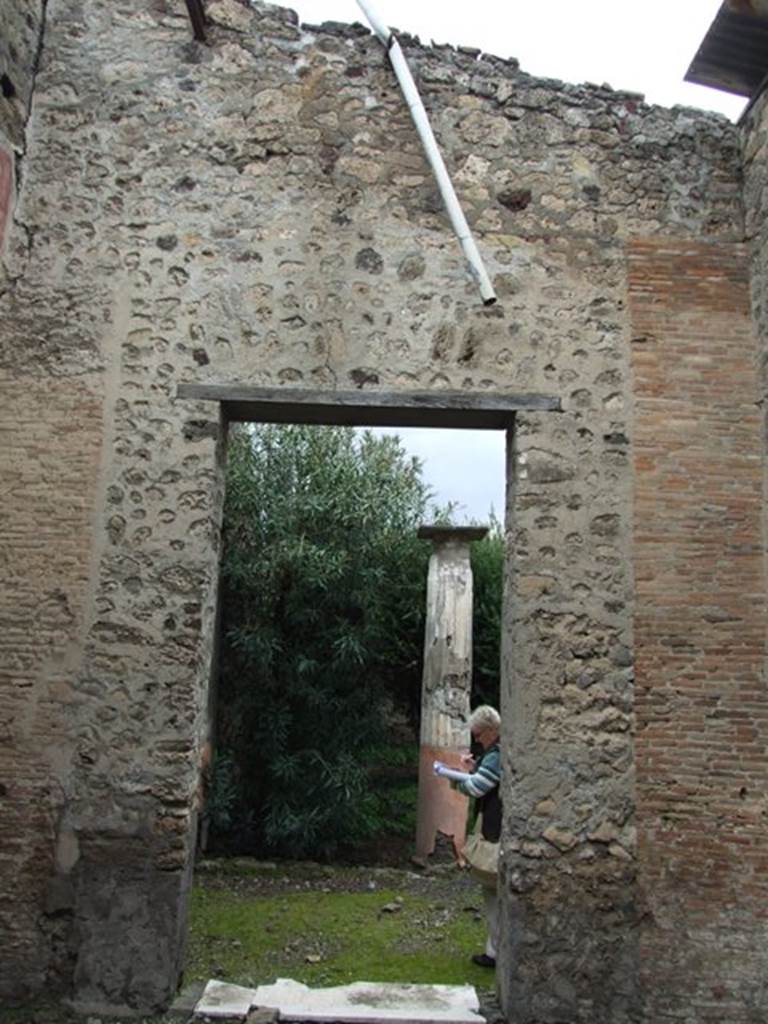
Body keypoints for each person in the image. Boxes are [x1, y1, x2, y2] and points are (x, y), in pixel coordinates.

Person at [433, 704, 502, 968]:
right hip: (494, 824)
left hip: (495, 828)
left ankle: (496, 951)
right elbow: (483, 780)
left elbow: (478, 788)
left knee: (494, 888)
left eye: (478, 734)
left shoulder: (496, 755)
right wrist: (472, 770)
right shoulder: (494, 753)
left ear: (490, 730)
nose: (476, 739)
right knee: (493, 890)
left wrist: (455, 776)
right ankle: (494, 949)